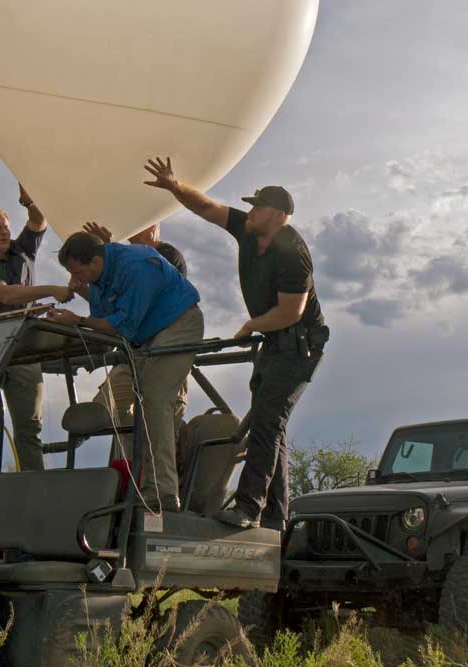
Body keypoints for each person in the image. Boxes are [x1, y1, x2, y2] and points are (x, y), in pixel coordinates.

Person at [143, 157, 327, 529]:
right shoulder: (248, 229)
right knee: (270, 424)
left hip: (300, 345)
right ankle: (277, 518)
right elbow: (207, 207)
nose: (250, 211)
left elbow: (291, 311)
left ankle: (248, 508)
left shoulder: (294, 253)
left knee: (268, 419)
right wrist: (174, 186)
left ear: (275, 214)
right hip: (276, 341)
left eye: (256, 206)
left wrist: (249, 325)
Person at [46, 232, 203, 512]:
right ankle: (138, 488)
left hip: (178, 325)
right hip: (147, 336)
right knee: (137, 410)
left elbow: (120, 326)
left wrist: (78, 320)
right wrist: (80, 296)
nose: (75, 277)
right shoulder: (100, 274)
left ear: (95, 261)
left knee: (155, 400)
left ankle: (163, 494)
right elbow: (105, 315)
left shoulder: (138, 264)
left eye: (78, 271)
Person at [0, 184, 69, 472]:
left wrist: (29, 200)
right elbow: (6, 295)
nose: (5, 231)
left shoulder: (22, 251)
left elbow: (38, 220)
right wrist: (52, 290)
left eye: (6, 226)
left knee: (29, 425)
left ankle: (35, 484)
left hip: (24, 347)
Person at [79, 222, 190, 461]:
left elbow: (143, 298)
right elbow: (114, 310)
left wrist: (108, 251)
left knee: (158, 434)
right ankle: (127, 483)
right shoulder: (123, 263)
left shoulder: (165, 256)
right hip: (132, 359)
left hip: (162, 359)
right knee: (102, 414)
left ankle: (159, 489)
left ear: (152, 228)